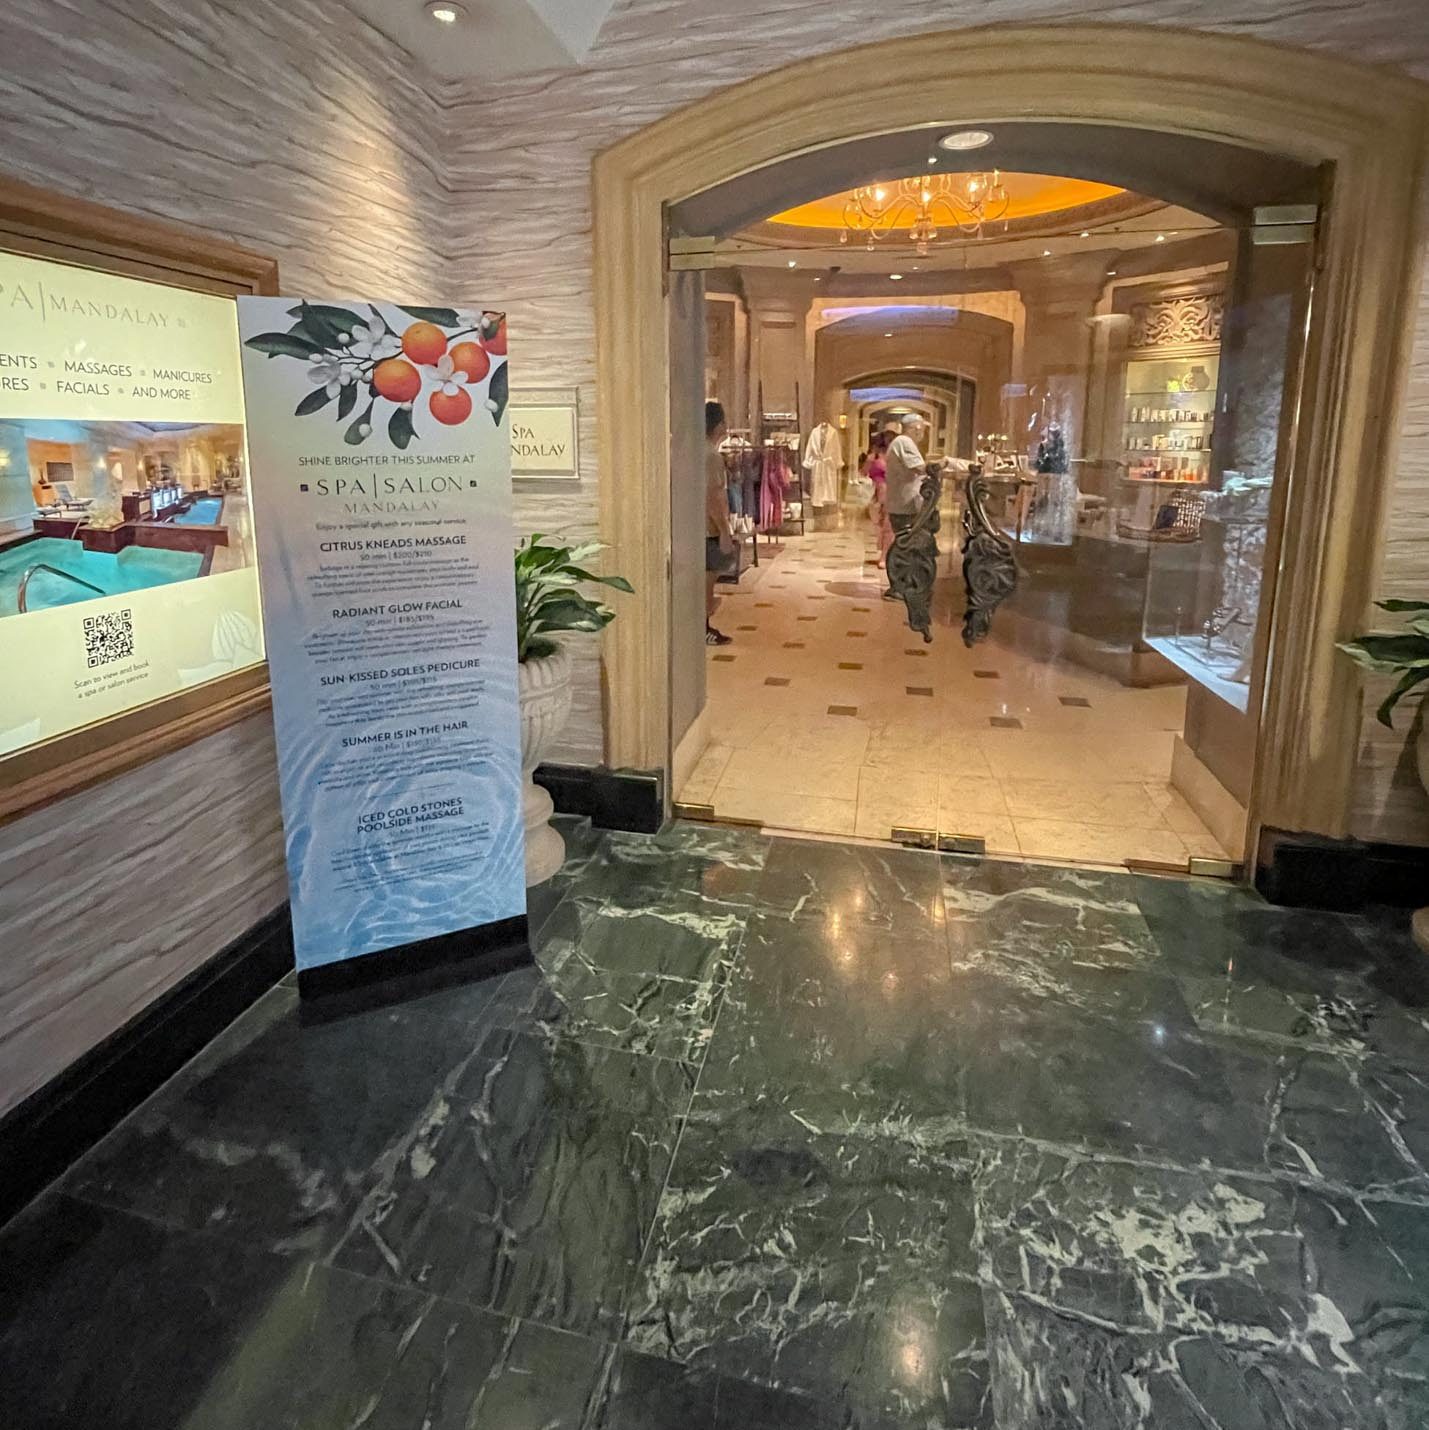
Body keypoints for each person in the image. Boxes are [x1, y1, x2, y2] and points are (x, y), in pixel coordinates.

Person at [882, 416, 928, 598]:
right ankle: (899, 587)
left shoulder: (901, 442)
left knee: (904, 544)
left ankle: (903, 585)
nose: (922, 433)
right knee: (904, 546)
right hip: (904, 504)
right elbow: (920, 468)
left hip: (902, 503)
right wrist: (945, 464)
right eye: (922, 429)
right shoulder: (904, 442)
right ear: (916, 428)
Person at [704, 399, 736, 645]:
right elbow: (713, 495)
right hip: (707, 528)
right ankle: (702, 628)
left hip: (691, 527)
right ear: (719, 426)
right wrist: (725, 530)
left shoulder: (686, 450)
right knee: (707, 580)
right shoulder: (711, 456)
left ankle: (701, 626)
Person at [866, 431, 892, 569]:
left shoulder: (878, 459)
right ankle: (884, 555)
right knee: (885, 527)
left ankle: (884, 555)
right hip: (882, 494)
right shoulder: (882, 460)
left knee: (885, 527)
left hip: (881, 494)